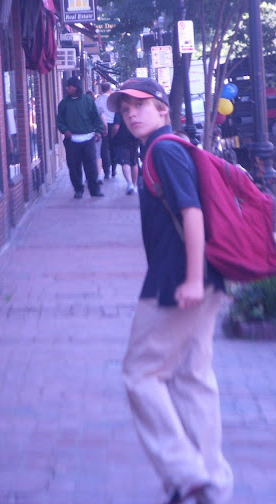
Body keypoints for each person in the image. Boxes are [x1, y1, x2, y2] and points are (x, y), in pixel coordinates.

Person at [107, 78, 233, 504]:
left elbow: (191, 213)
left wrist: (192, 279)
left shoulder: (163, 150)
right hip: (202, 278)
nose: (131, 114)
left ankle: (185, 472)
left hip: (178, 281)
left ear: (162, 109)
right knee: (192, 378)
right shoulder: (163, 148)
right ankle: (211, 485)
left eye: (140, 105)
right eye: (125, 109)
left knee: (140, 373)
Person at [56, 77, 105, 199]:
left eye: (69, 86)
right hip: (72, 140)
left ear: (75, 87)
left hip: (88, 138)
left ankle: (94, 190)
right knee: (74, 167)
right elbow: (59, 121)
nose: (66, 88)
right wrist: (65, 130)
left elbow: (96, 117)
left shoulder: (88, 101)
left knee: (91, 166)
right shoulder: (64, 104)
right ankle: (78, 189)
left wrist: (98, 131)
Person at [111, 109, 139, 194]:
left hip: (122, 138)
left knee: (125, 162)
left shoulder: (120, 111)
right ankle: (135, 185)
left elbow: (116, 127)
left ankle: (129, 183)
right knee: (134, 162)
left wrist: (113, 136)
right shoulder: (134, 110)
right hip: (134, 137)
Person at [95, 82, 116, 178]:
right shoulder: (112, 99)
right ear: (110, 89)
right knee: (113, 147)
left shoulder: (98, 100)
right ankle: (114, 169)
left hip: (102, 126)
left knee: (104, 149)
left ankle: (106, 172)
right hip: (113, 124)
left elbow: (96, 113)